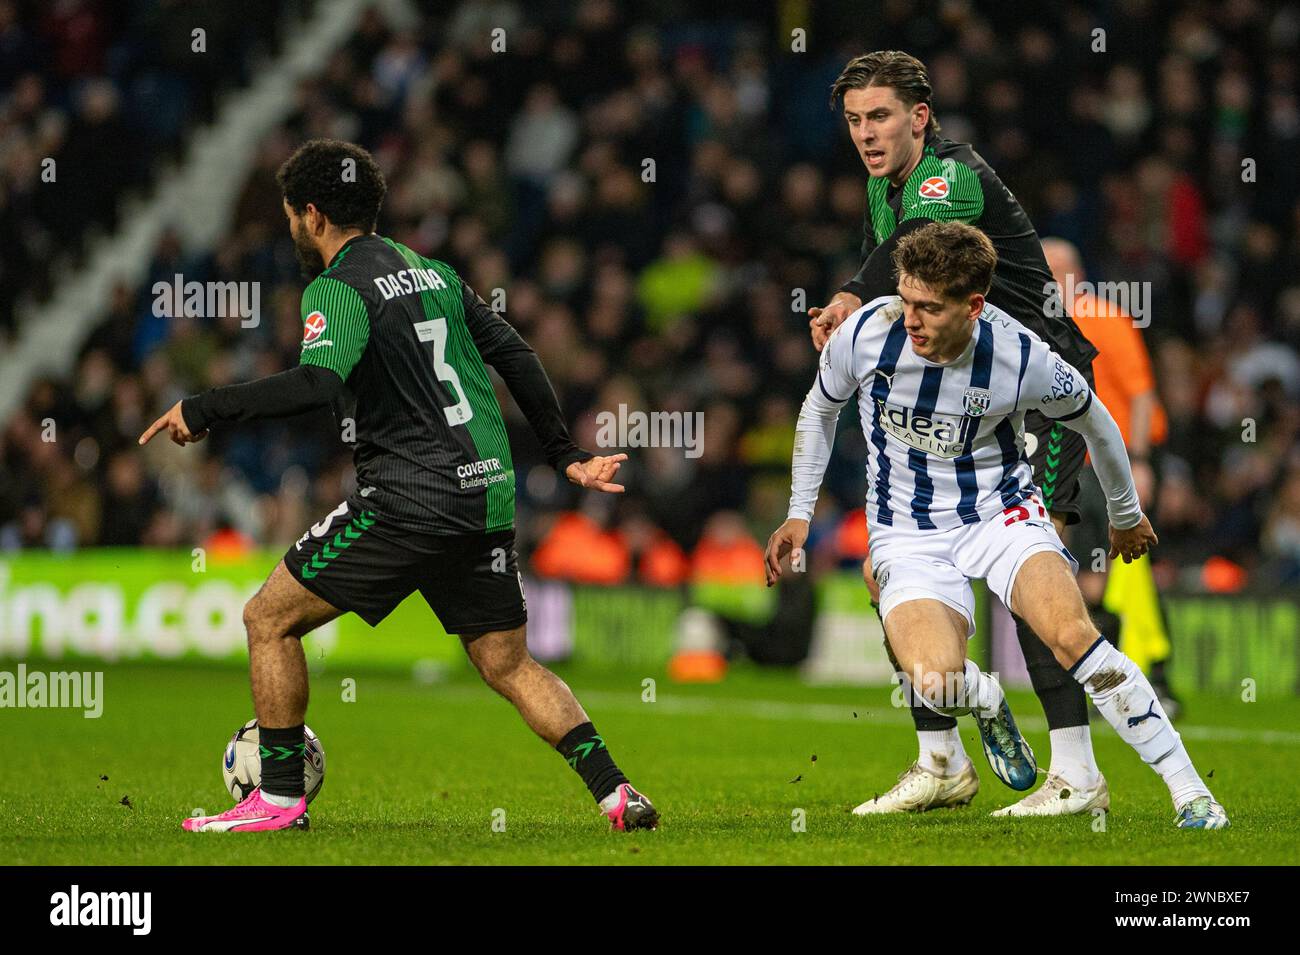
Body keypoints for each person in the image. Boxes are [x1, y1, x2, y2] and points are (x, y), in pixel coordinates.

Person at [139, 138, 658, 833]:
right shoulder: (433, 273)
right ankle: (617, 793)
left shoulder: (338, 287)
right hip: (486, 493)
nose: (293, 228)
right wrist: (563, 449)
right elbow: (516, 352)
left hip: (411, 499)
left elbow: (316, 383)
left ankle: (279, 797)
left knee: (268, 618)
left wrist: (204, 409)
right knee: (509, 662)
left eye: (293, 215)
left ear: (313, 214)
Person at [767, 222, 1227, 829]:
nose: (911, 320)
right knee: (933, 683)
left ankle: (1192, 792)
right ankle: (983, 696)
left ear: (973, 306)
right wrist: (799, 512)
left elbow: (1100, 423)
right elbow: (820, 409)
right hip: (907, 532)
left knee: (1075, 638)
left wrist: (1124, 514)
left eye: (929, 308)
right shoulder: (868, 332)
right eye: (907, 301)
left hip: (1001, 516)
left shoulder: (1020, 357)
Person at [809, 51, 1108, 816]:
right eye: (853, 120)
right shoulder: (883, 186)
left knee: (1036, 583)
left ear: (919, 116)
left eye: (879, 117)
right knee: (896, 561)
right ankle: (938, 758)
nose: (866, 134)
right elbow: (901, 274)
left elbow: (913, 241)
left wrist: (847, 293)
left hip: (1036, 390)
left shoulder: (954, 173)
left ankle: (1074, 772)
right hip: (953, 394)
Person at [1041, 238, 1179, 714]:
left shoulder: (1102, 318)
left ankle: (1155, 676)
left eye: (1057, 270)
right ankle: (1110, 678)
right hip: (1069, 463)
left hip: (1113, 463)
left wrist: (1139, 460)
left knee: (1125, 568)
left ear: (1077, 275)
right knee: (1086, 574)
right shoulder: (1040, 323)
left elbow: (1140, 393)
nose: (1049, 279)